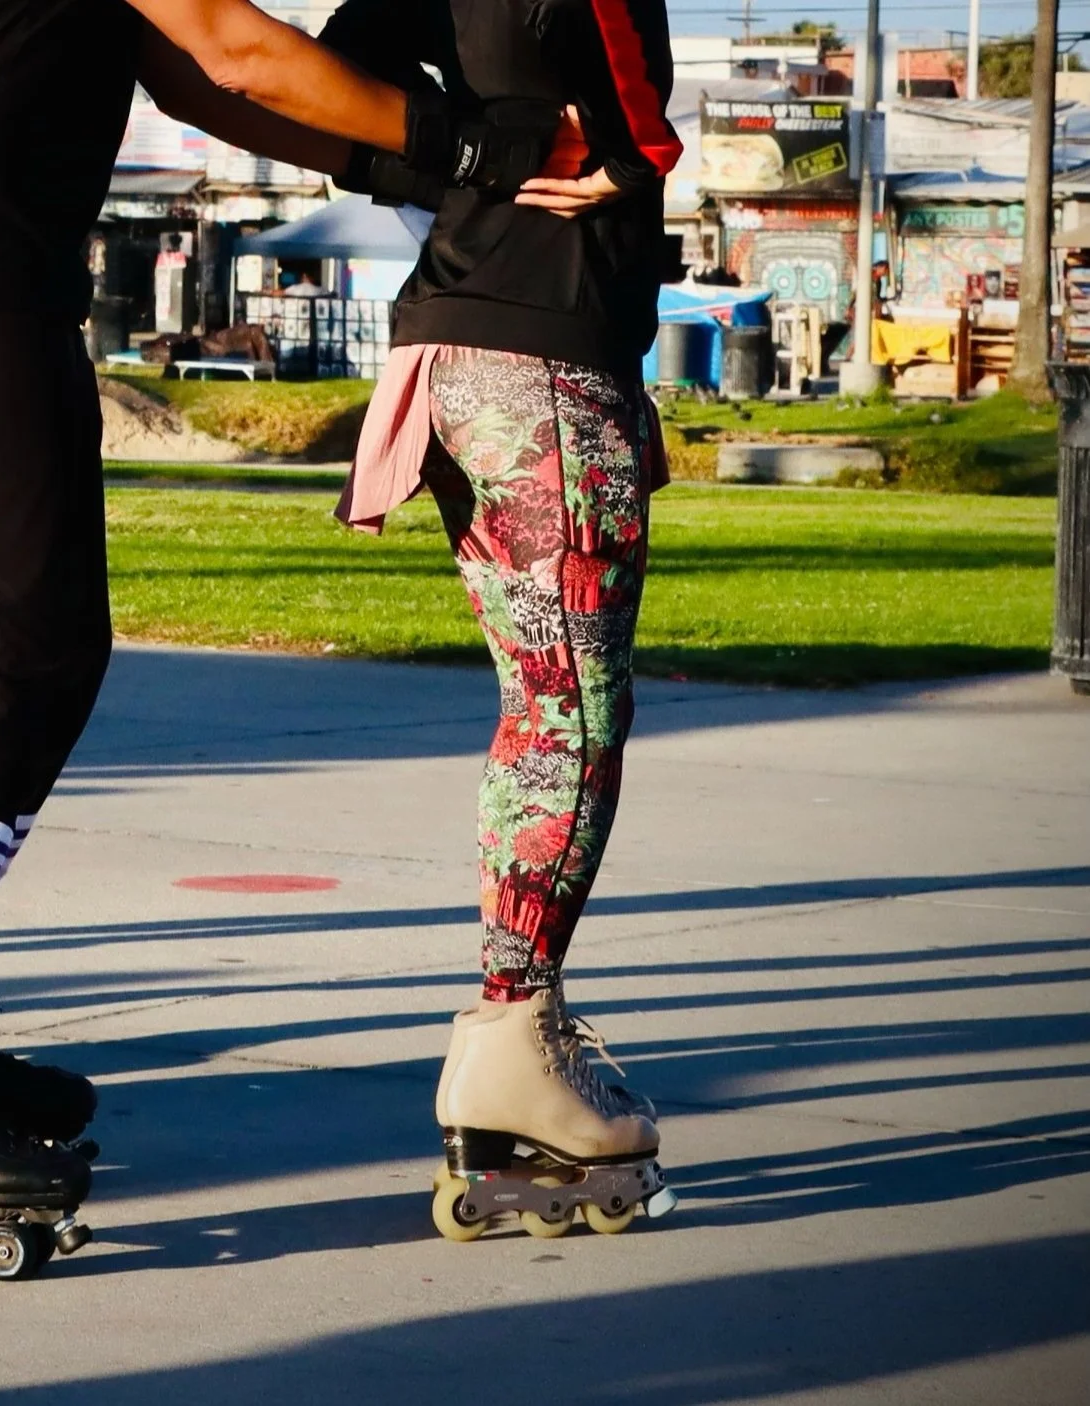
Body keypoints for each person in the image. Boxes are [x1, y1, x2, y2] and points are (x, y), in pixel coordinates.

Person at [0, 0, 571, 1254]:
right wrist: (479, 147)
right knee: (7, 653)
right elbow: (228, 41)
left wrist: (408, 162)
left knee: (53, 653)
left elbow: (194, 83)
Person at [322, 0, 686, 1237]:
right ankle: (512, 1027)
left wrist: (466, 160)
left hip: (464, 350)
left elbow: (335, 86)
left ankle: (514, 1019)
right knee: (576, 714)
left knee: (547, 708)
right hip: (538, 360)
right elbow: (631, 94)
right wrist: (634, 155)